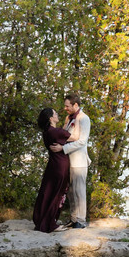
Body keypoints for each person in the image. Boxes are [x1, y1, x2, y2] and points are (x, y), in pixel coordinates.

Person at [32, 107, 77, 233]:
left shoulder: (47, 132)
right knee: (57, 194)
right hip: (60, 165)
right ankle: (50, 223)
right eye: (55, 113)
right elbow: (76, 137)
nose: (57, 114)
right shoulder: (56, 132)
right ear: (51, 118)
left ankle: (43, 220)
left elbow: (62, 134)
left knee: (48, 192)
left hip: (52, 165)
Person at [50, 92, 90, 229]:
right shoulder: (69, 118)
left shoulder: (84, 119)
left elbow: (82, 141)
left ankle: (81, 220)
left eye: (67, 106)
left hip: (79, 161)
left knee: (79, 191)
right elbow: (64, 135)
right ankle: (74, 219)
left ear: (76, 105)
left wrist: (63, 148)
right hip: (68, 160)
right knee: (71, 192)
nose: (65, 108)